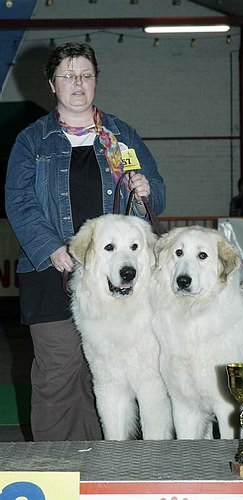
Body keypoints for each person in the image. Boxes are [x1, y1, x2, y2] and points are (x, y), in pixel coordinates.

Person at [5, 42, 166, 442]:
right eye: (68, 75)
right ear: (52, 84)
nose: (78, 83)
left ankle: (103, 467)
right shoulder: (31, 141)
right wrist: (52, 249)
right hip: (53, 274)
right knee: (58, 373)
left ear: (95, 81)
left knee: (111, 377)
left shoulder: (121, 134)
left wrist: (148, 190)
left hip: (118, 283)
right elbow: (19, 201)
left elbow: (156, 192)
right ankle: (58, 471)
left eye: (86, 75)